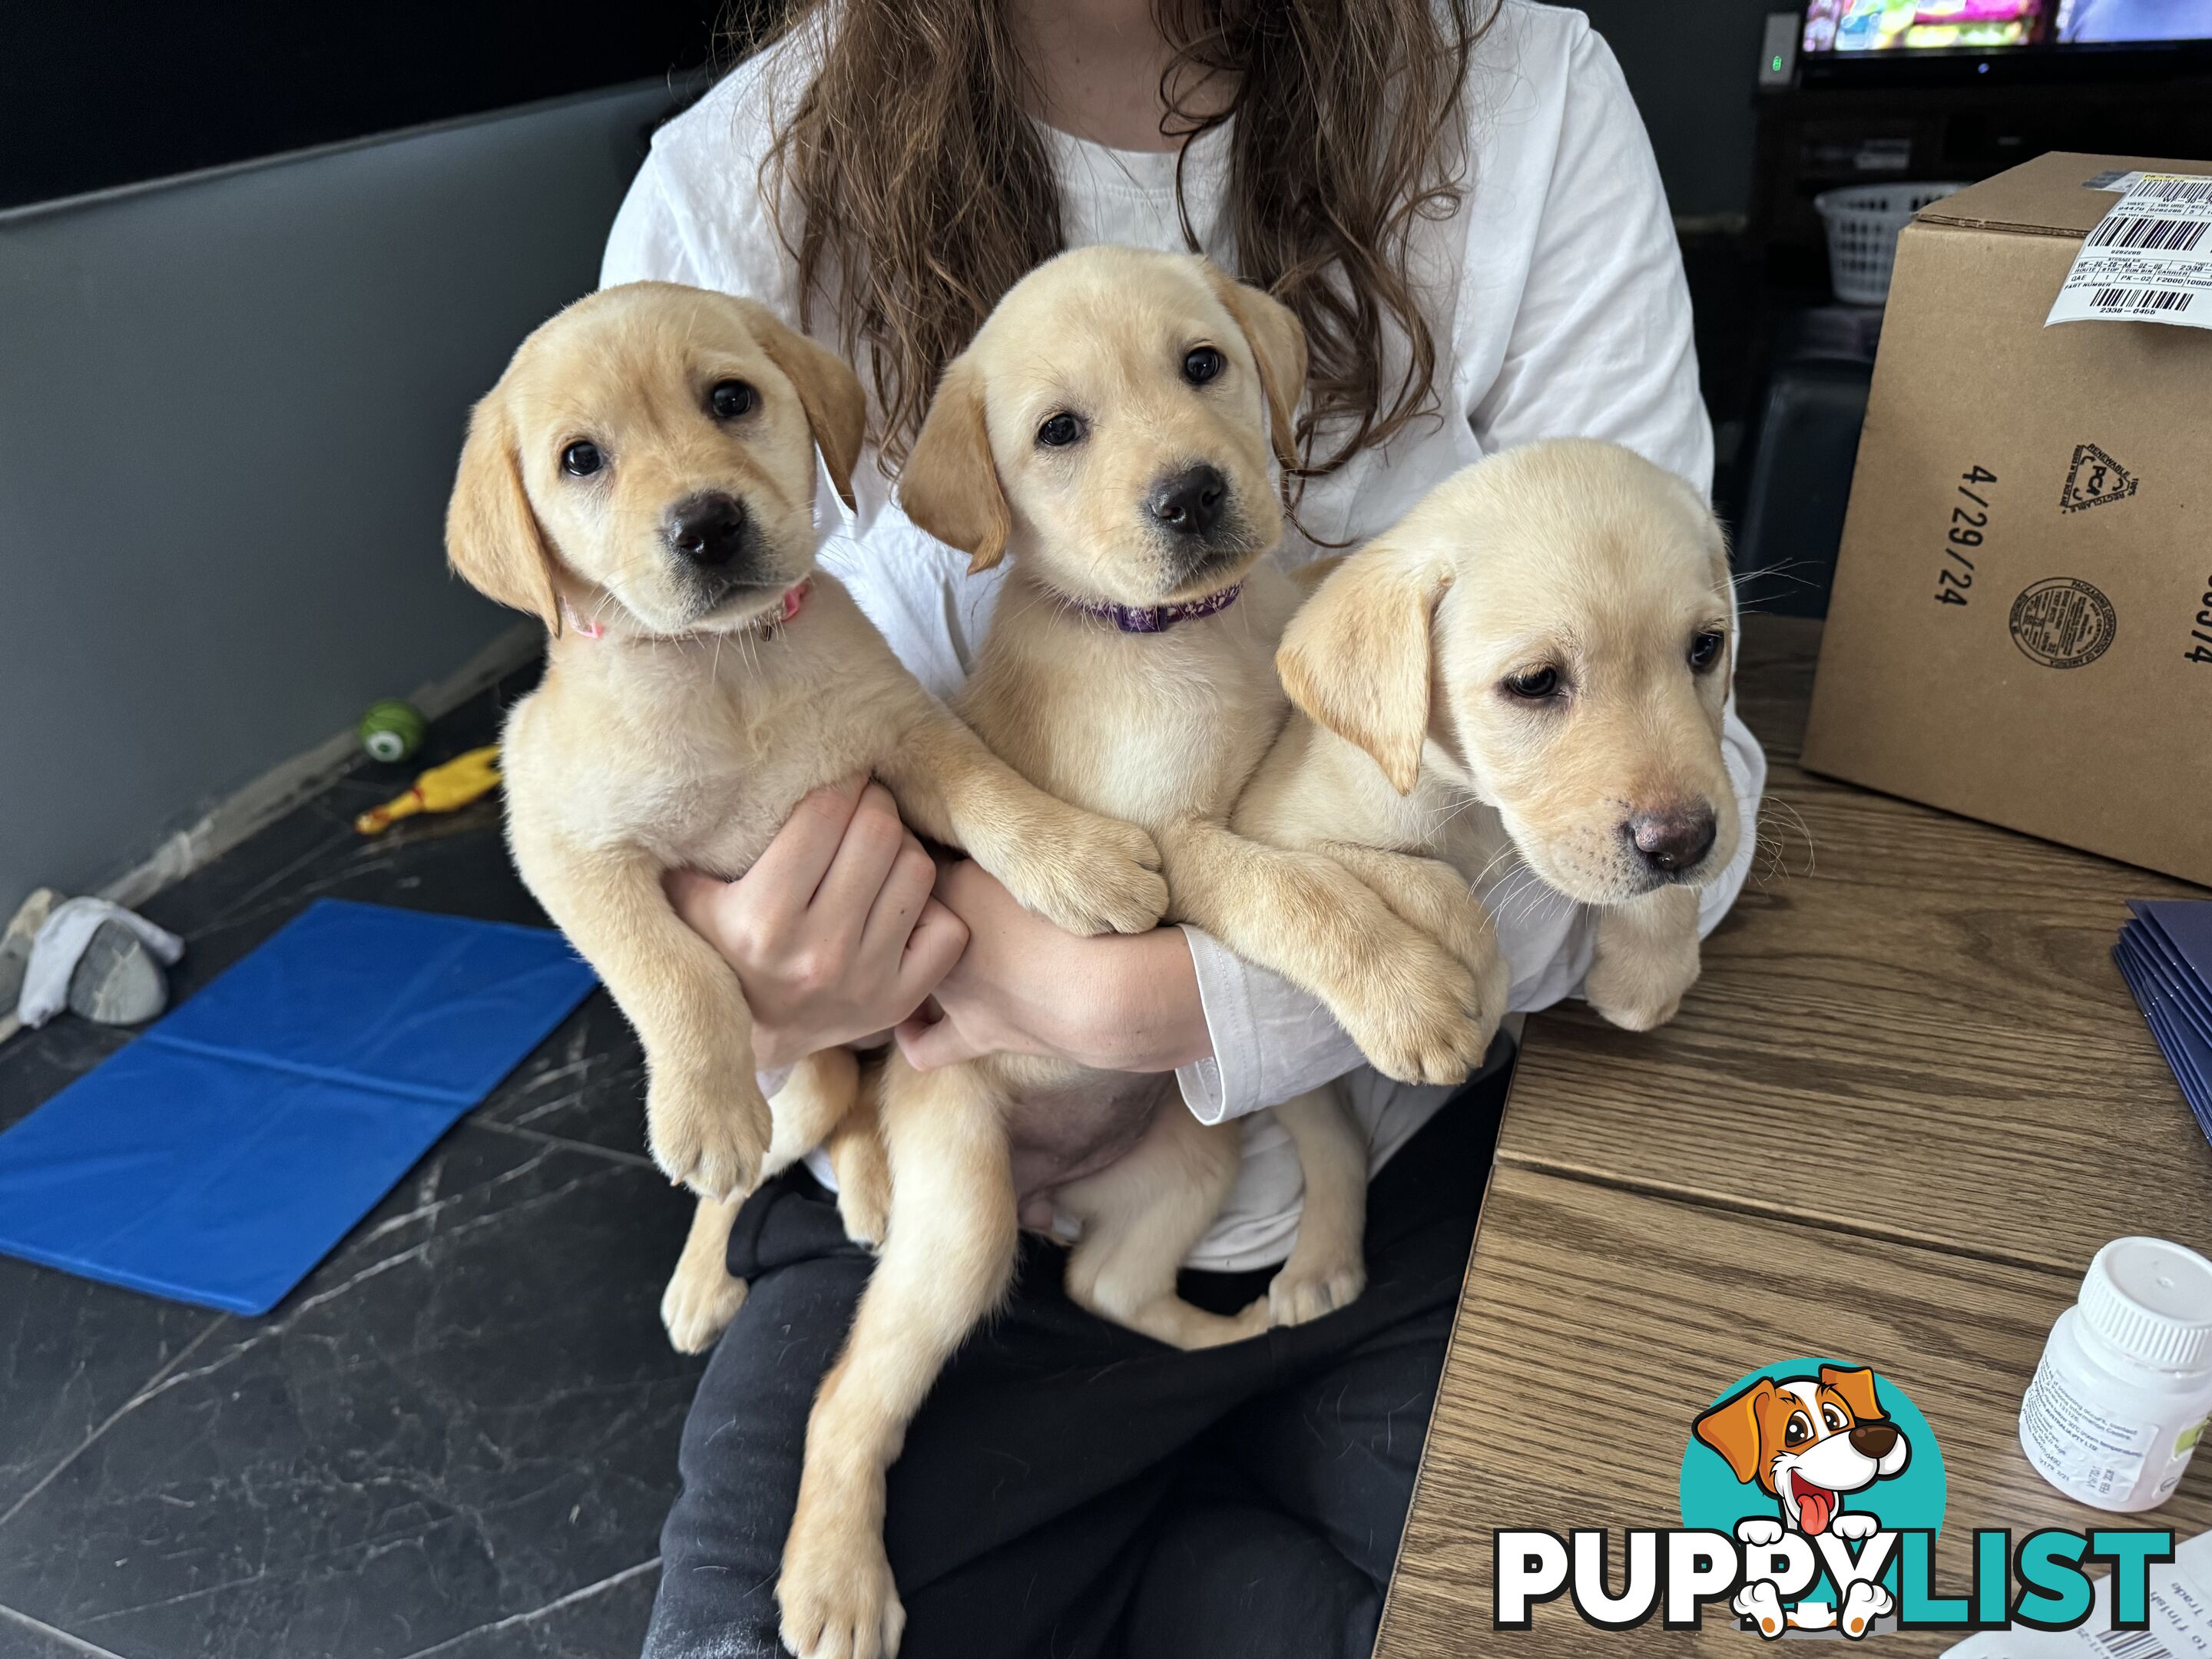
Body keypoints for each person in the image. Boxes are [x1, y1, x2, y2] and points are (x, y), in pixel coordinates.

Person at [602, 2, 1767, 1654]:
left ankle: (1188, 1578)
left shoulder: (1526, 81)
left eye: (1205, 374)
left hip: (1426, 1149)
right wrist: (739, 969)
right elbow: (651, 807)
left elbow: (1692, 765)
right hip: (973, 1147)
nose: (1172, 471)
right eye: (1060, 434)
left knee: (1698, 1602)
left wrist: (1153, 1003)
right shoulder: (727, 192)